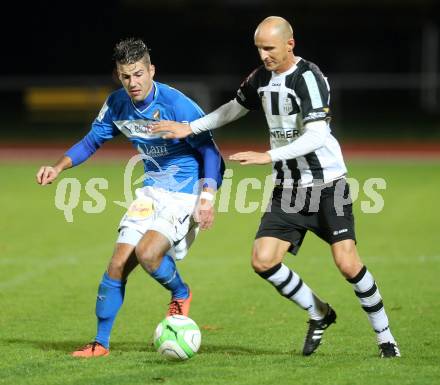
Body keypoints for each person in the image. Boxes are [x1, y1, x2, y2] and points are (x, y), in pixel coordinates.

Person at [149, 16, 400, 358]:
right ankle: (319, 313)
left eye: (269, 48)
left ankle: (386, 337)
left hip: (328, 185)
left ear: (289, 44)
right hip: (289, 189)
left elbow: (317, 135)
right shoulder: (260, 78)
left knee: (347, 263)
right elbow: (233, 109)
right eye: (259, 48)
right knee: (263, 260)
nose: (264, 55)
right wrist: (189, 127)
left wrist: (268, 156)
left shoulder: (309, 78)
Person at [36, 38, 225, 357]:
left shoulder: (177, 104)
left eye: (138, 74)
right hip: (150, 190)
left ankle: (180, 292)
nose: (133, 82)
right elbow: (92, 140)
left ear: (151, 70)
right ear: (118, 75)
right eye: (126, 76)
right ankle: (101, 343)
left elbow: (212, 152)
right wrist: (58, 168)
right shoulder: (116, 104)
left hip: (184, 193)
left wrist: (207, 197)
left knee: (149, 254)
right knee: (117, 264)